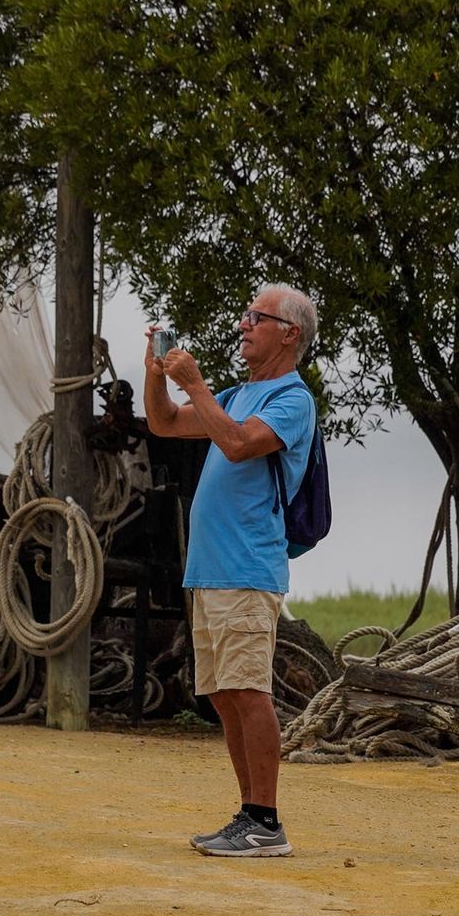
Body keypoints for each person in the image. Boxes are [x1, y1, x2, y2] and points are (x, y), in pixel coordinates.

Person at [144, 285, 318, 858]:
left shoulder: (292, 400)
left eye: (256, 317)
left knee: (248, 689)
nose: (243, 325)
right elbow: (166, 423)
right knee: (222, 694)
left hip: (247, 568)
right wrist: (155, 371)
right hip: (211, 571)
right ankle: (250, 815)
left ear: (288, 333)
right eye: (244, 315)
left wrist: (194, 382)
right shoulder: (239, 394)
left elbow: (241, 445)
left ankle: (267, 821)